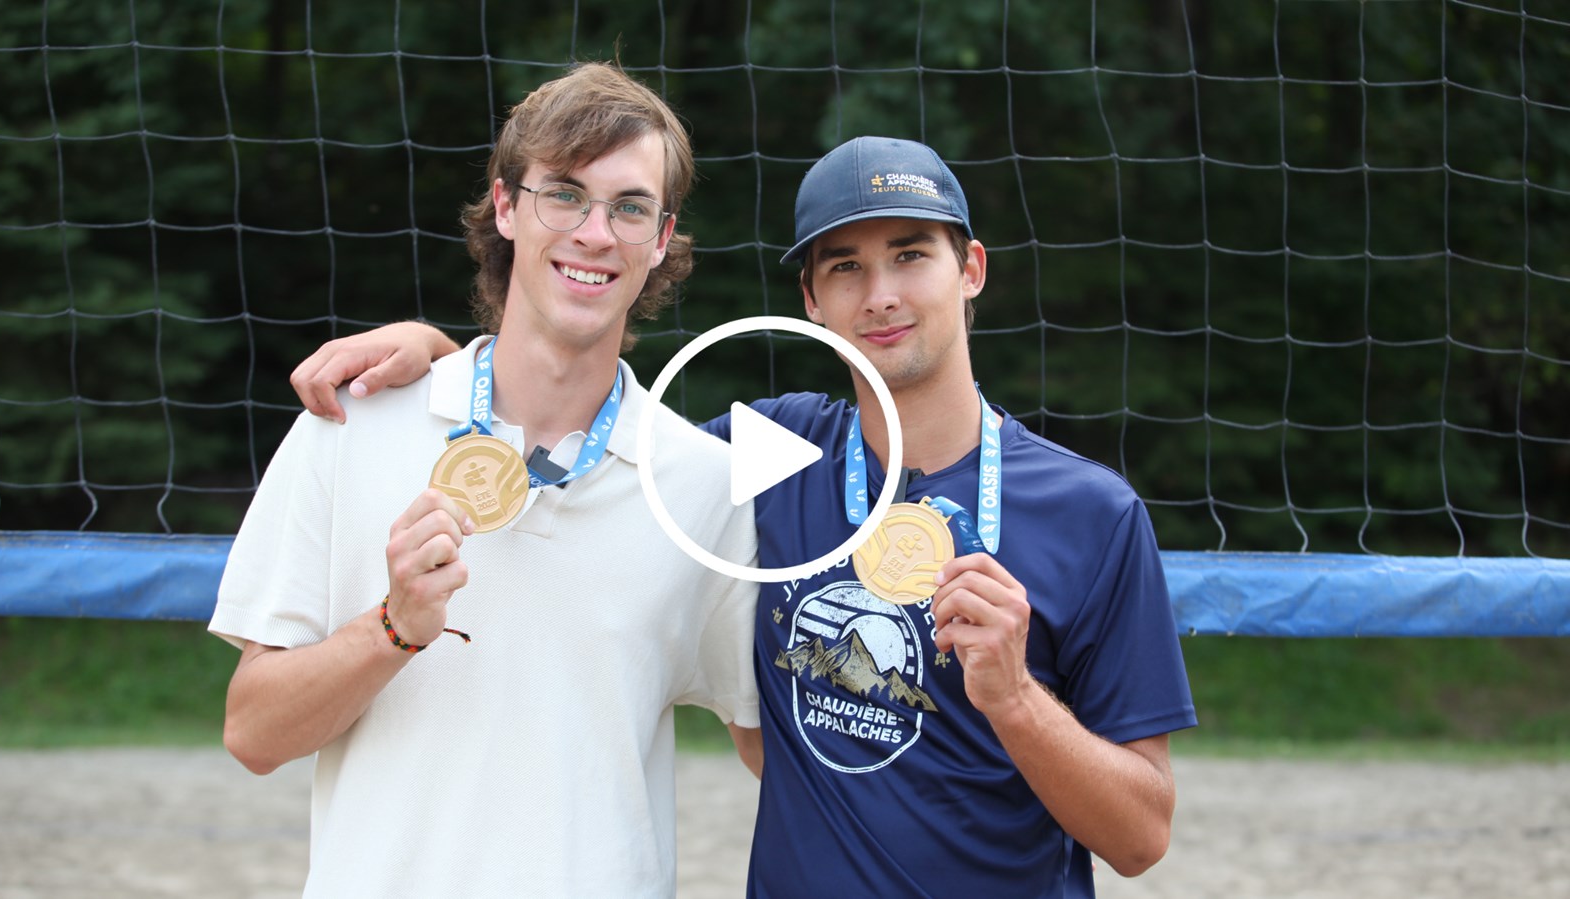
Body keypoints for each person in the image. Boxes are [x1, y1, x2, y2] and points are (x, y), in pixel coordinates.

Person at [294, 136, 1197, 897]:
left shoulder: (1094, 513)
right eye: (845, 266)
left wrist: (1014, 700)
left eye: (911, 254)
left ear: (971, 268)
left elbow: (1140, 836)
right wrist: (444, 356)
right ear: (811, 301)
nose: (880, 293)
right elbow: (585, 418)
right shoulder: (772, 455)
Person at [210, 62, 761, 898]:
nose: (594, 232)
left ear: (661, 236)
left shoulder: (706, 487)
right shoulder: (350, 422)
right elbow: (253, 731)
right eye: (564, 194)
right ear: (506, 206)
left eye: (630, 206)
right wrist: (393, 627)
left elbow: (778, 747)